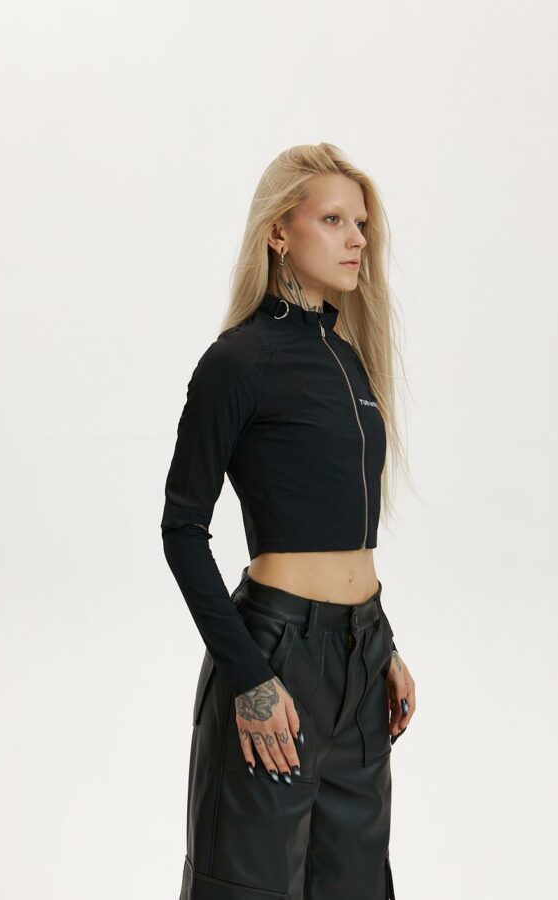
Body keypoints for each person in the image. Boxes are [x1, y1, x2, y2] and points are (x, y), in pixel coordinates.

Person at [160, 142, 416, 900]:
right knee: (249, 885)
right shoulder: (238, 360)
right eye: (333, 220)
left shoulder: (350, 360)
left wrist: (382, 642)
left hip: (360, 659)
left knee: (357, 885)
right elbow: (181, 530)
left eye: (361, 224)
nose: (356, 239)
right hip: (275, 653)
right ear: (279, 231)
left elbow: (344, 530)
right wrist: (250, 677)